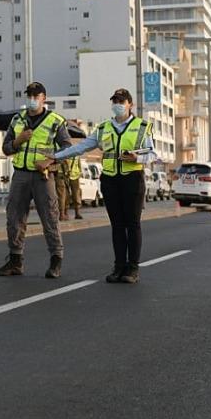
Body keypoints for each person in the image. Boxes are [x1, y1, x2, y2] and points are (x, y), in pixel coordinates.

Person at [41, 88, 155, 284]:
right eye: (115, 101)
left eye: (121, 101)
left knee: (133, 224)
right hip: (110, 180)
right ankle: (119, 266)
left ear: (130, 105)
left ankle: (132, 268)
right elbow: (81, 147)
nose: (117, 105)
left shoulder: (142, 126)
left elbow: (153, 155)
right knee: (117, 225)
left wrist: (138, 156)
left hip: (132, 179)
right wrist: (56, 156)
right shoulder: (104, 128)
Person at [0, 82, 70, 279]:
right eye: (29, 96)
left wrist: (49, 160)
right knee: (14, 218)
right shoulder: (17, 119)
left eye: (36, 96)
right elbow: (6, 148)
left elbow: (67, 148)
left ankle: (56, 260)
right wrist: (18, 141)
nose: (32, 100)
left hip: (43, 177)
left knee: (50, 218)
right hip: (20, 174)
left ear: (44, 98)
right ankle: (15, 260)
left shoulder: (55, 121)